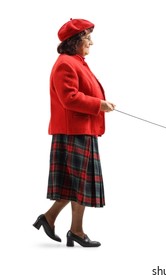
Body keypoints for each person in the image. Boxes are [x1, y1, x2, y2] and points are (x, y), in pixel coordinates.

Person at [33, 18, 115, 247]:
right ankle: (74, 231)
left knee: (75, 184)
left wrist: (100, 103)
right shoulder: (65, 64)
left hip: (82, 130)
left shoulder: (75, 62)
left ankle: (53, 220)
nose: (91, 42)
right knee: (78, 184)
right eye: (87, 38)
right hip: (73, 131)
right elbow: (69, 98)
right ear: (76, 41)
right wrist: (99, 104)